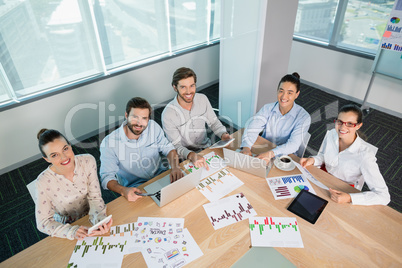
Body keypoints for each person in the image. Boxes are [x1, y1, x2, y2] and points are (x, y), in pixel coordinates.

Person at [300, 104, 390, 206]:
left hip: (342, 190)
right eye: (340, 122)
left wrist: (349, 198)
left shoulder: (365, 156)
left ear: (358, 125)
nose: (342, 127)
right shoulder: (331, 134)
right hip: (321, 179)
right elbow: (323, 156)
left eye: (350, 124)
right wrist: (313, 160)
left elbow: (384, 196)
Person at [100, 97, 183, 202]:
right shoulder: (109, 143)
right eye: (135, 117)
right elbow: (106, 178)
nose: (139, 123)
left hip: (161, 177)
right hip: (136, 189)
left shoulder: (153, 127)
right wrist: (123, 190)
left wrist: (175, 167)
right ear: (126, 115)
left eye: (144, 118)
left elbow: (168, 149)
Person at [35, 129, 112, 240]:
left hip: (93, 213)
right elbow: (43, 222)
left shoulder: (88, 161)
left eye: (65, 149)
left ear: (70, 146)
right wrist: (71, 231)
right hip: (66, 226)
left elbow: (95, 197)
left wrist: (100, 221)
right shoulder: (42, 182)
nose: (64, 157)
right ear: (47, 159)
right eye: (54, 155)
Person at [162, 67, 231, 169]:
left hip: (205, 148)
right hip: (184, 156)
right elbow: (175, 145)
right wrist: (191, 155)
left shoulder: (202, 99)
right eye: (183, 87)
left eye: (192, 86)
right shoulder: (168, 114)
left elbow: (213, 122)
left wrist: (223, 134)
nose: (189, 92)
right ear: (175, 87)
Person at [240, 72, 311, 163]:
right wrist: (246, 147)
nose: (284, 96)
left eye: (290, 93)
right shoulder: (267, 108)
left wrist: (270, 154)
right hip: (265, 149)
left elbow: (293, 144)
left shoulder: (303, 117)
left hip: (285, 157)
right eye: (281, 91)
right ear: (277, 91)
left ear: (297, 94)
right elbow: (252, 127)